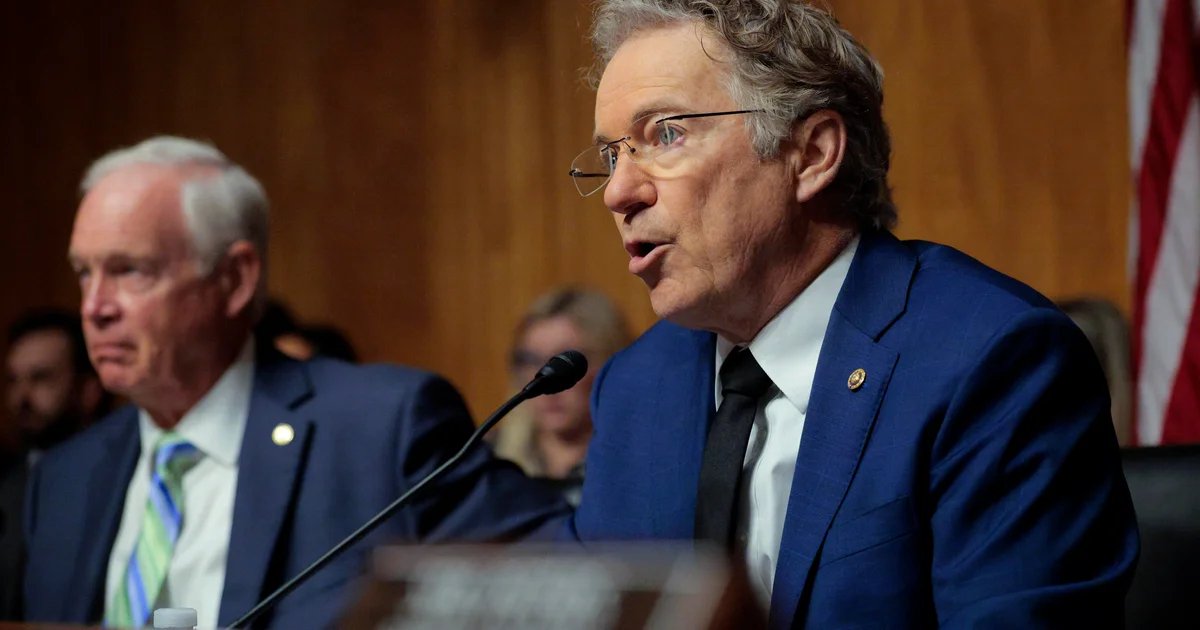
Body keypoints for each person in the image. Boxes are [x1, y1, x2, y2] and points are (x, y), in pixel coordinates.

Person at [563, 1, 1138, 628]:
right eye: (612, 156)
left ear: (812, 153)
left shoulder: (993, 361)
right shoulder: (637, 386)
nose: (618, 192)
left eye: (666, 134)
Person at [23, 136, 569, 629]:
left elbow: (565, 583)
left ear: (235, 279)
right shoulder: (63, 478)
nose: (94, 308)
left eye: (130, 270)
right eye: (84, 273)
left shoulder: (383, 430)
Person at [1, 309, 109, 620]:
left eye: (41, 378)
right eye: (13, 380)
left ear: (88, 390)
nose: (22, 397)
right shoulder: (6, 480)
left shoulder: (123, 484)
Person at [493, 287, 632, 504]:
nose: (549, 379)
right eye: (531, 360)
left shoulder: (640, 464)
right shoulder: (490, 464)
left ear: (610, 365)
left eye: (564, 364)